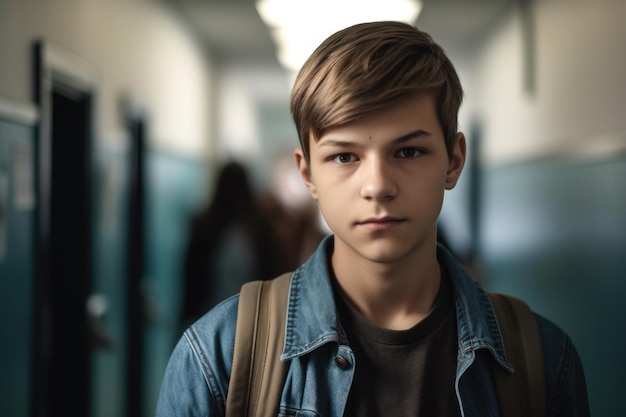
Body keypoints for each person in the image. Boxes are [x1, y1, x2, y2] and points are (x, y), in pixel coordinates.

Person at [156, 21, 589, 416]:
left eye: (408, 151)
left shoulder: (540, 359)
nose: (377, 185)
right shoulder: (220, 356)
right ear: (308, 174)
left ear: (453, 161)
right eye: (344, 156)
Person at [181, 160, 282, 327]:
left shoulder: (256, 230)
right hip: (224, 318)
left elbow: (192, 280)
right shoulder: (254, 230)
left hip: (237, 319)